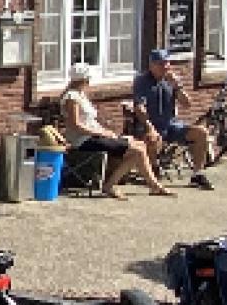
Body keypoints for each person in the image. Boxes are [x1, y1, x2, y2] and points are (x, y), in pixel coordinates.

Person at [61, 63, 174, 199]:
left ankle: (151, 185)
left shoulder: (80, 94)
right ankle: (113, 185)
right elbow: (75, 125)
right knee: (137, 150)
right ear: (84, 79)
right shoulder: (72, 97)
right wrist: (102, 133)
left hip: (93, 136)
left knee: (139, 145)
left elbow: (90, 122)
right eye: (88, 78)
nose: (89, 81)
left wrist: (108, 133)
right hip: (83, 140)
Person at [133, 48, 214, 190]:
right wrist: (149, 127)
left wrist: (178, 86)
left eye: (167, 63)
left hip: (170, 125)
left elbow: (187, 104)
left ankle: (197, 174)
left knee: (201, 133)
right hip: (150, 124)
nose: (165, 67)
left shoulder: (171, 81)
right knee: (153, 138)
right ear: (151, 65)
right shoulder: (142, 81)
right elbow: (139, 108)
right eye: (160, 64)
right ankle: (153, 172)